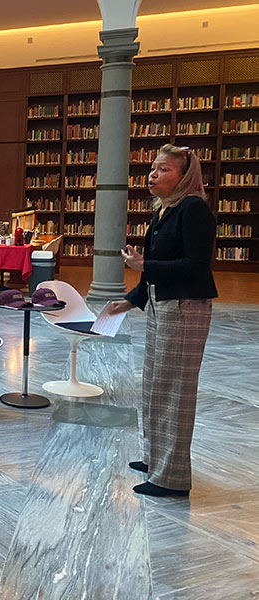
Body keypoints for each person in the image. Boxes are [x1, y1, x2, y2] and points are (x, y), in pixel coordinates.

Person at [107, 144, 217, 498]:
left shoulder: (193, 209)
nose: (153, 174)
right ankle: (155, 458)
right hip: (162, 304)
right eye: (153, 168)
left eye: (163, 169)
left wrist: (144, 265)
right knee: (156, 384)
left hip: (185, 307)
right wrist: (130, 299)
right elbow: (152, 268)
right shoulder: (164, 210)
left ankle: (172, 478)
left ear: (184, 177)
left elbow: (196, 266)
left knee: (175, 391)